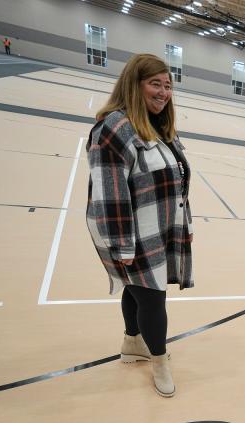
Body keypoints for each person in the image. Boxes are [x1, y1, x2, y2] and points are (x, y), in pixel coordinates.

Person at [85, 53, 194, 398]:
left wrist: (184, 224)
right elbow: (109, 194)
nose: (163, 92)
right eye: (155, 84)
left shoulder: (159, 128)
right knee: (152, 299)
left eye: (168, 85)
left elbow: (177, 183)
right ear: (134, 84)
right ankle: (159, 360)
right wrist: (123, 247)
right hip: (131, 232)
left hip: (160, 228)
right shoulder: (114, 129)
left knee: (136, 291)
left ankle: (133, 343)